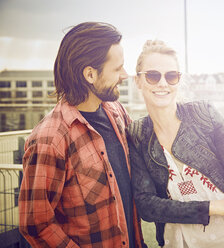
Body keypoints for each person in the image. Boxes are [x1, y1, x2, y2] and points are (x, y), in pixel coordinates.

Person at [18, 22, 146, 248]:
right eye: (117, 69)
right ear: (90, 74)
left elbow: (149, 146)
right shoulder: (51, 139)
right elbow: (36, 224)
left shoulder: (117, 112)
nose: (125, 75)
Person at [127, 40, 224, 248]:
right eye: (153, 76)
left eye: (171, 76)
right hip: (178, 242)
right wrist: (213, 207)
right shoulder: (137, 135)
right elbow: (147, 206)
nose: (163, 83)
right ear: (138, 81)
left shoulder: (205, 114)